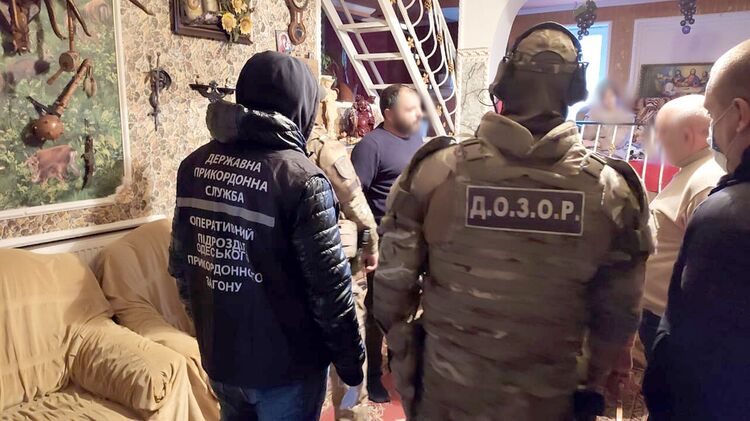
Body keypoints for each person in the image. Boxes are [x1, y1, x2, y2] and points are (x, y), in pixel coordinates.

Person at [374, 22, 652, 420]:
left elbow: (390, 292)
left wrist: (409, 372)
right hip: (550, 401)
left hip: (447, 397)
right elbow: (619, 317)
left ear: (504, 79)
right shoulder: (613, 191)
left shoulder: (435, 171)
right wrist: (588, 383)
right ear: (576, 89)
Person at [168, 52, 364, 421]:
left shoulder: (193, 166)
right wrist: (351, 366)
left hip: (221, 359)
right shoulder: (302, 178)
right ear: (301, 105)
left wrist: (211, 333)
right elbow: (330, 292)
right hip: (286, 369)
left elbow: (182, 267)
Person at [644, 39, 750, 421]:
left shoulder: (724, 204)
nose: (711, 131)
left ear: (739, 114)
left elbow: (702, 352)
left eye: (713, 114)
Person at [350, 83, 424, 403]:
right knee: (376, 315)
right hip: (381, 246)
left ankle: (396, 362)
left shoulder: (417, 141)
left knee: (404, 309)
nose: (417, 114)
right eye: (410, 109)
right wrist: (368, 245)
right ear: (389, 113)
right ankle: (372, 377)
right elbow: (354, 203)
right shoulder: (370, 146)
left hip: (411, 243)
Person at [639, 95, 725, 359]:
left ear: (688, 136)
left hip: (672, 322)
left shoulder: (706, 180)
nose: (657, 141)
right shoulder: (694, 171)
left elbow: (708, 267)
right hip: (660, 316)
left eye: (662, 133)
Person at [582, 80, 635, 158]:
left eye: (611, 96)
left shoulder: (627, 117)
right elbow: (586, 137)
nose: (608, 99)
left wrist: (595, 143)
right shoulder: (595, 113)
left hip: (613, 153)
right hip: (592, 151)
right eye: (604, 97)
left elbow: (617, 141)